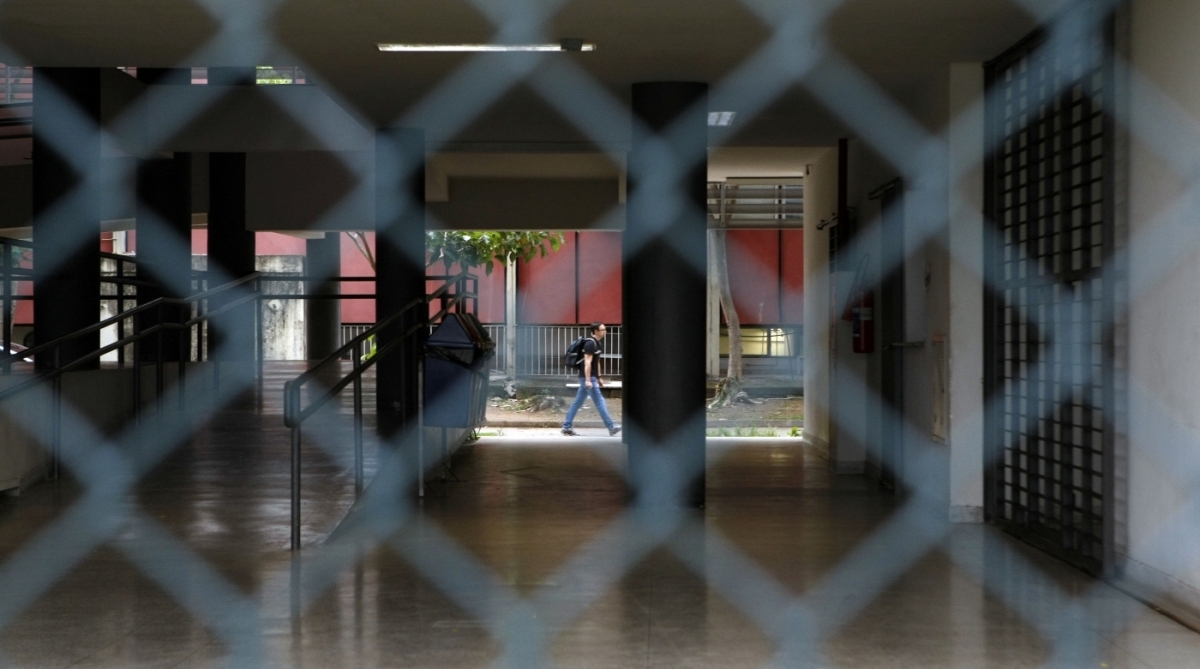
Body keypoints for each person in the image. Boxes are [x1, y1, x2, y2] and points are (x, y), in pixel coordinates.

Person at [562, 322, 621, 436]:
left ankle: (566, 427)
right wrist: (589, 380)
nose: (605, 332)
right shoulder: (590, 344)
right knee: (600, 402)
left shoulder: (597, 343)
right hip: (587, 378)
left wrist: (599, 377)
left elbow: (597, 361)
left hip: (590, 377)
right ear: (596, 331)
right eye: (603, 330)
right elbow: (587, 363)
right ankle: (611, 426)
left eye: (605, 329)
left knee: (577, 403)